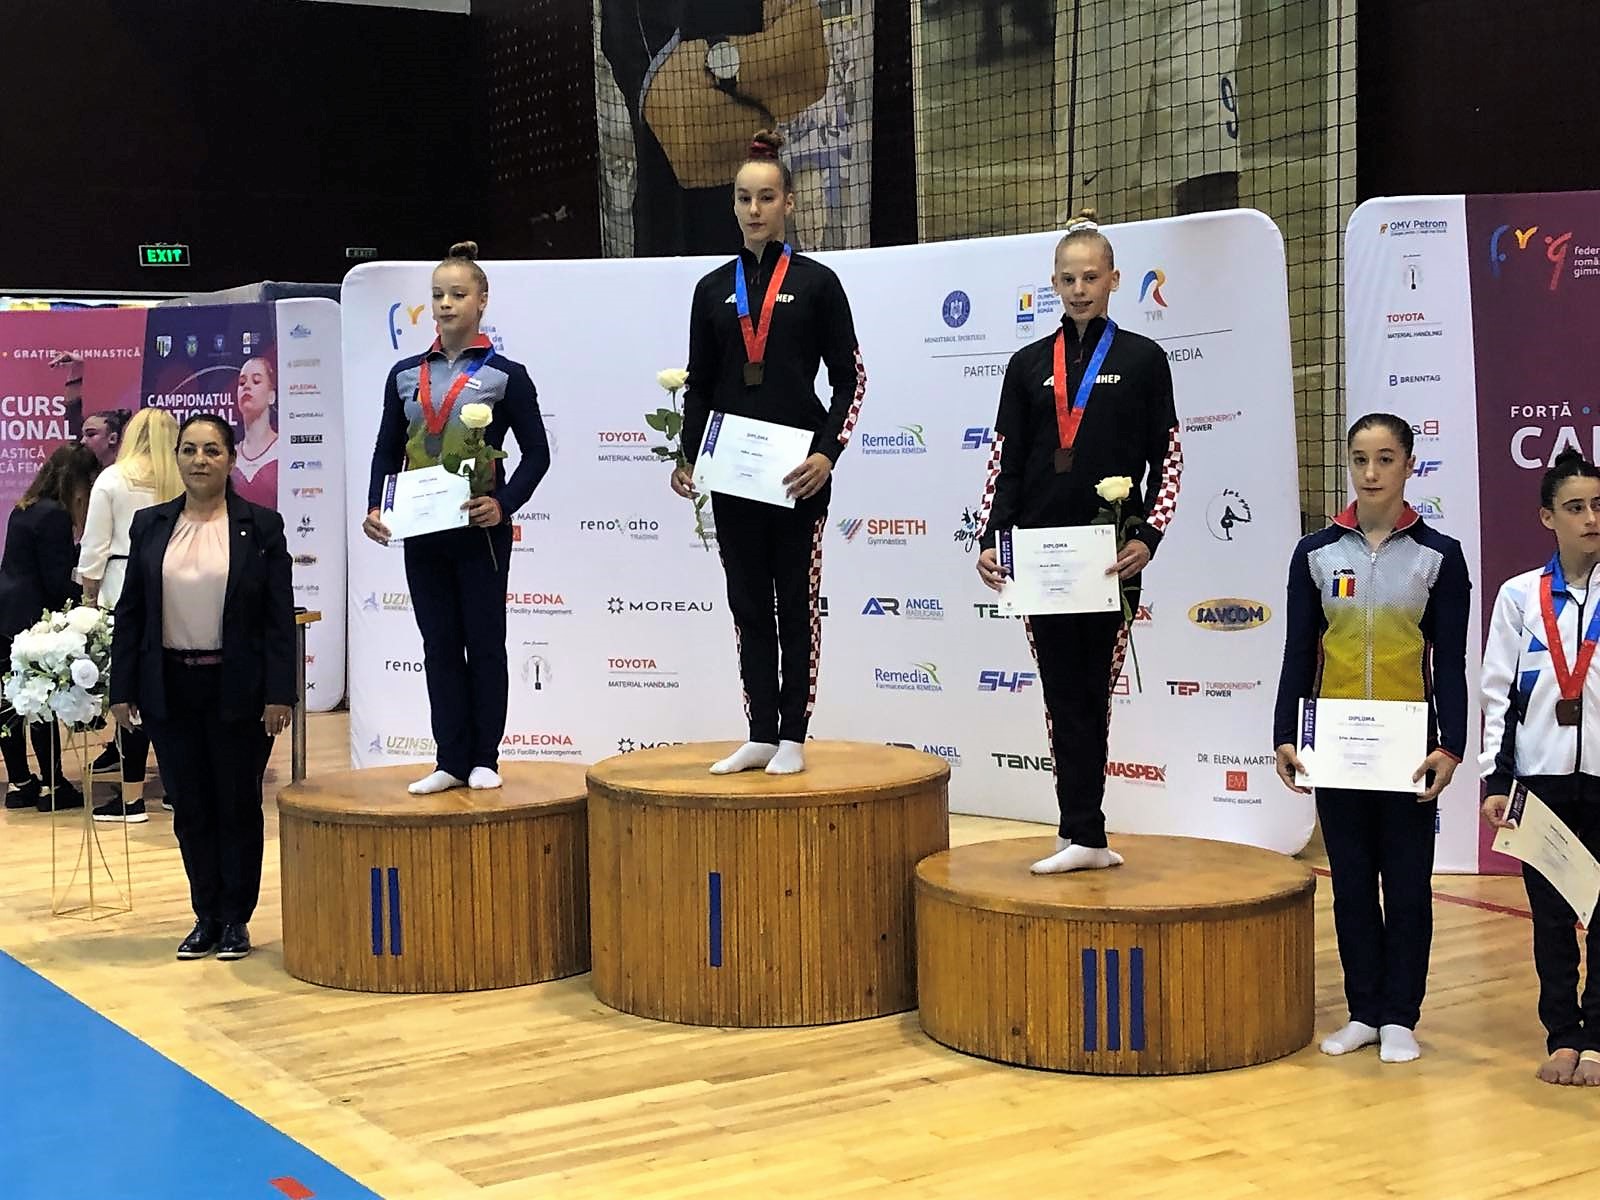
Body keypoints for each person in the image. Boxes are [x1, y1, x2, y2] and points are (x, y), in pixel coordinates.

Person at [974, 211, 1182, 873]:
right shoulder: (1027, 364)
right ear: (1053, 284)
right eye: (1068, 279)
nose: (1079, 289)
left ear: (1114, 279)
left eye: (1091, 277)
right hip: (1039, 558)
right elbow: (1004, 462)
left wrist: (1148, 535)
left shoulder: (1143, 360)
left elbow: (1169, 458)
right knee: (1061, 692)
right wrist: (992, 537)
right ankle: (1079, 833)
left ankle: (1088, 832)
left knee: (1095, 691)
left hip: (1111, 557)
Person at [1273, 413, 1470, 1065]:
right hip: (1336, 747)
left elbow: (1450, 663)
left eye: (1386, 459)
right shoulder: (1316, 554)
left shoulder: (1440, 556)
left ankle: (1400, 1017)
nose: (1371, 472)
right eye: (1360, 459)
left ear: (1409, 464)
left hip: (1408, 750)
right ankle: (1363, 1012)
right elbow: (1299, 652)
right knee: (1352, 884)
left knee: (1408, 887)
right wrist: (1286, 735)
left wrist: (1450, 745)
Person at [673, 129, 866, 777]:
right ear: (732, 206)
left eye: (766, 197)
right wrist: (688, 457)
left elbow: (851, 379)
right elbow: (700, 385)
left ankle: (793, 737)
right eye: (743, 198)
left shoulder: (817, 284)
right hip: (734, 473)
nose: (754, 209)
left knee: (795, 604)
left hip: (796, 475)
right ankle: (758, 731)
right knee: (748, 605)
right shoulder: (711, 290)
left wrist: (827, 454)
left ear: (788, 203)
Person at [363, 241, 550, 795]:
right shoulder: (405, 373)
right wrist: (376, 505)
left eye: (458, 294)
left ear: (482, 301)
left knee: (485, 643)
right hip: (422, 529)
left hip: (479, 530)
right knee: (438, 645)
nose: (445, 304)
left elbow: (537, 454)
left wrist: (504, 504)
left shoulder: (507, 374)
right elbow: (386, 449)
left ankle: (485, 757)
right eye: (438, 295)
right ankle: (449, 758)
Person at [110, 414, 295, 962]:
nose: (199, 460)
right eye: (189, 449)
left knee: (236, 804)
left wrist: (279, 693)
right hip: (169, 686)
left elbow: (278, 618)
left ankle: (236, 919)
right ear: (177, 458)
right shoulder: (149, 524)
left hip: (238, 688)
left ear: (231, 459)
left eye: (212, 450)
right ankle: (205, 916)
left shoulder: (262, 526)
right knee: (189, 806)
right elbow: (131, 611)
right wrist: (122, 688)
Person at [1480, 448, 1600, 1087]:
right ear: (1548, 518)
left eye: (1599, 505)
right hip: (1539, 779)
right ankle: (1562, 1033)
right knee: (1550, 916)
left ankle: (1598, 1035)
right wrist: (1497, 780)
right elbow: (1496, 691)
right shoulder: (1519, 596)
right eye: (1575, 507)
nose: (1591, 519)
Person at [599, 0, 827, 255]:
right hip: (679, 245)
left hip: (763, 247)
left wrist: (717, 66)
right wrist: (765, 79)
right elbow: (686, 122)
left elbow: (807, 63)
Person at [76, 408, 184, 823]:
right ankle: (176, 790)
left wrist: (87, 597)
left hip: (122, 590)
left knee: (129, 696)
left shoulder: (113, 479)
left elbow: (94, 546)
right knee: (173, 695)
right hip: (178, 591)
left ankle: (132, 797)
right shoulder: (181, 479)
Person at [1, 445, 102, 811]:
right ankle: (52, 785)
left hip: (5, 610)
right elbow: (56, 581)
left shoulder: (23, 508)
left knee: (10, 701)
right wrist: (89, 600)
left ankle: (20, 781)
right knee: (42, 700)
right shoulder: (56, 515)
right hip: (31, 617)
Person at [230, 356, 279, 507]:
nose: (247, 386)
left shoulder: (284, 450)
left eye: (256, 381)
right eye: (242, 382)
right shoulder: (229, 456)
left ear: (271, 396)